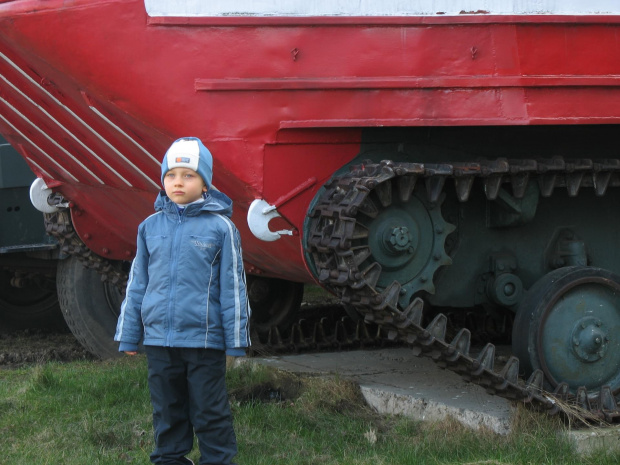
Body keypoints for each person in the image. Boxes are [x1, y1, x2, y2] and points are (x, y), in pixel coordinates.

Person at [115, 137, 251, 465]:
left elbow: (234, 287)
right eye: (171, 174)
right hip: (160, 340)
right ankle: (169, 458)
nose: (178, 181)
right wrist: (129, 333)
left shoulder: (221, 228)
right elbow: (138, 284)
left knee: (208, 409)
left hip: (205, 341)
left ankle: (217, 459)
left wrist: (235, 341)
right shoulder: (149, 228)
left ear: (205, 184)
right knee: (167, 409)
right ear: (163, 180)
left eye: (188, 175)